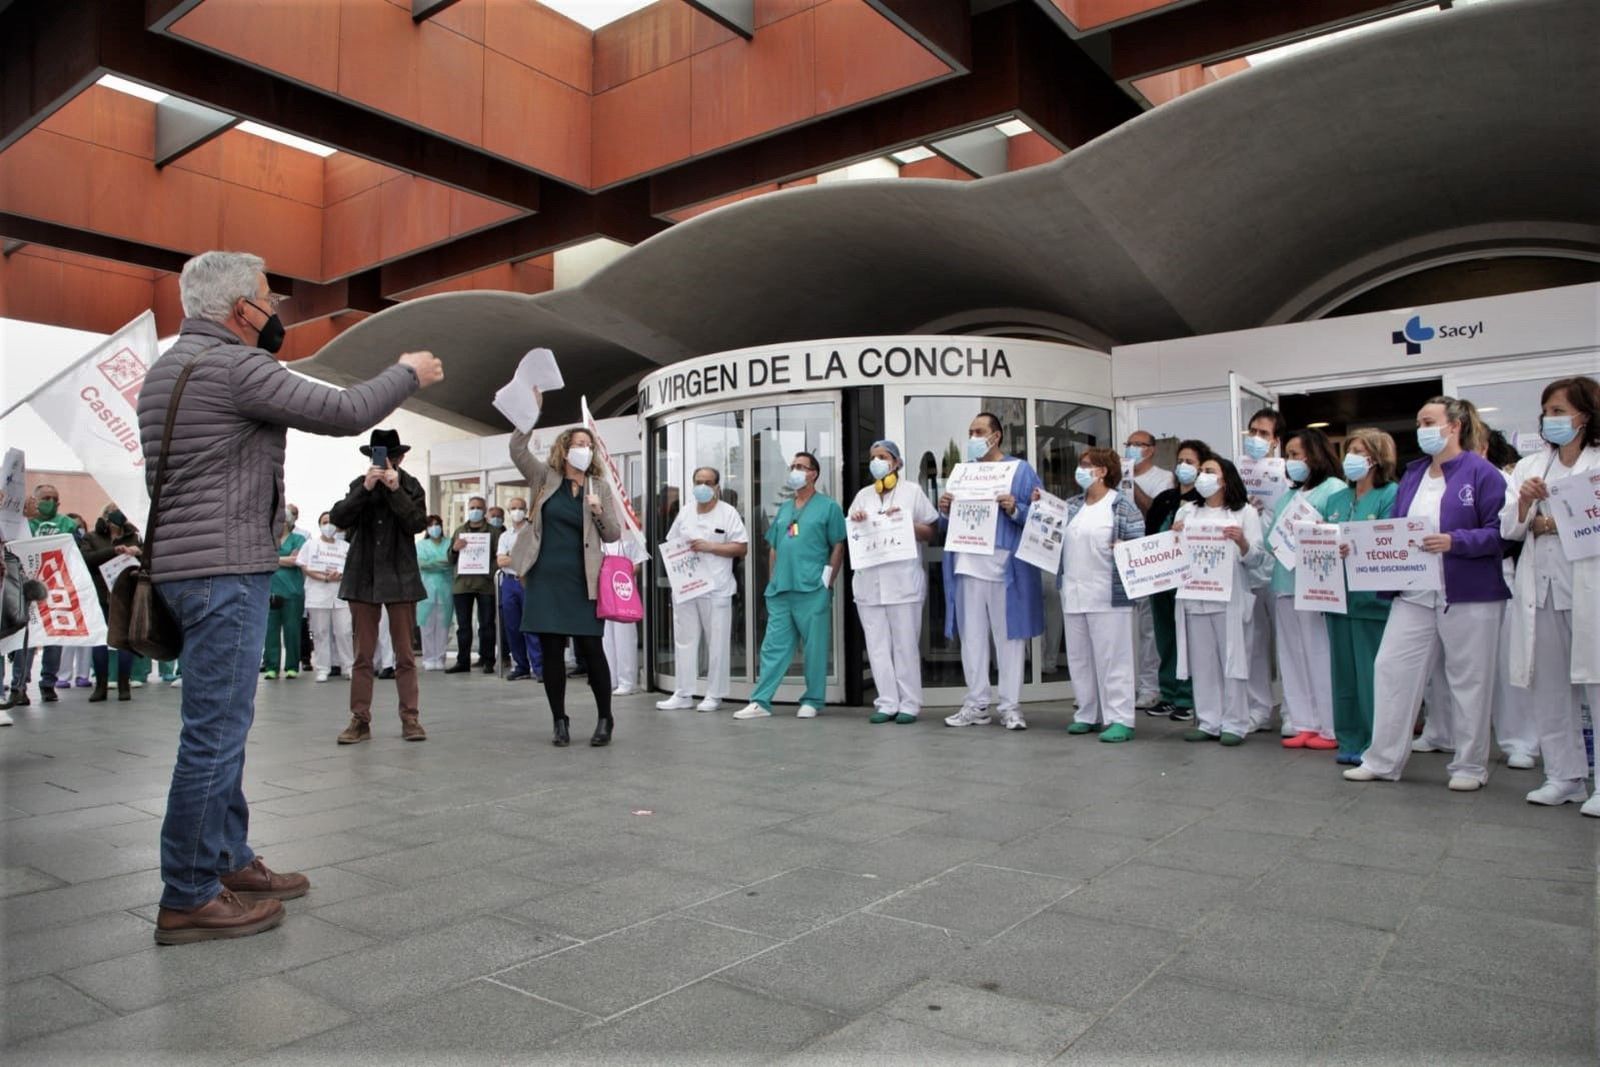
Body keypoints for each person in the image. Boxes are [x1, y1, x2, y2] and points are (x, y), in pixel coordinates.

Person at [137, 249, 442, 944]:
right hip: (225, 570)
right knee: (214, 733)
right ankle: (187, 891)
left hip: (187, 570)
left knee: (222, 726)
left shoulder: (166, 371)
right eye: (268, 298)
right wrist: (409, 373)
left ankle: (228, 858)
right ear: (239, 307)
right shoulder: (236, 365)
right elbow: (342, 410)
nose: (274, 311)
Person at [1345, 396, 1513, 792]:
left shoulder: (1483, 474)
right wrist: (1360, 546)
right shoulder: (1414, 474)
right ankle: (1383, 759)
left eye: (1428, 421)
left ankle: (1469, 766)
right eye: (1420, 422)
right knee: (1390, 668)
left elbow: (1501, 534)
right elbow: (1394, 530)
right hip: (1415, 593)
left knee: (1469, 682)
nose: (1421, 429)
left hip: (1468, 593)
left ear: (1453, 426)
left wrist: (1456, 541)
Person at [1502, 376, 1600, 811]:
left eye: (1560, 411)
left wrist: (1550, 521)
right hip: (1540, 589)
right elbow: (1509, 528)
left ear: (1586, 414)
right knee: (1550, 686)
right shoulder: (1531, 466)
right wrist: (1525, 504)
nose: (1551, 419)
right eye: (1547, 411)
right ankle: (1564, 777)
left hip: (1587, 585)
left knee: (1597, 683)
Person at [508, 403, 624, 745]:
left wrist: (598, 512)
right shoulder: (545, 478)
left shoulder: (598, 486)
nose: (584, 451)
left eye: (588, 446)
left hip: (583, 581)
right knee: (552, 652)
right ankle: (559, 720)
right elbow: (517, 449)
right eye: (578, 445)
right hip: (545, 578)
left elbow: (613, 534)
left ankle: (605, 718)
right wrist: (528, 415)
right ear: (564, 448)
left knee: (592, 650)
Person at [938, 413, 1045, 731]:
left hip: (1004, 568)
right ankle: (976, 704)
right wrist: (943, 510)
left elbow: (1041, 517)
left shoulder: (1020, 470)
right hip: (967, 565)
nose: (972, 436)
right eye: (969, 431)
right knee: (972, 640)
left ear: (996, 436)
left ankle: (1010, 707)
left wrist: (1016, 508)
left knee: (1009, 639)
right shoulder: (961, 474)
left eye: (979, 431)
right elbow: (946, 526)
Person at [331, 429, 432, 744]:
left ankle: (410, 719)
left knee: (404, 654)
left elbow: (416, 523)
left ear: (399, 458)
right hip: (363, 576)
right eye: (379, 456)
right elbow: (338, 517)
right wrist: (366, 487)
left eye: (390, 456)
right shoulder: (359, 484)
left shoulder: (411, 485)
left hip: (400, 577)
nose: (385, 461)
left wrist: (395, 489)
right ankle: (360, 720)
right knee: (363, 654)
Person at [734, 451, 847, 721]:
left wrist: (827, 582)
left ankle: (813, 700)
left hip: (812, 589)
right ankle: (761, 700)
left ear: (813, 474)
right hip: (782, 589)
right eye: (793, 466)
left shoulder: (828, 507)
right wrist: (774, 579)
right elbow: (774, 547)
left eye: (801, 466)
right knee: (773, 646)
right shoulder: (785, 508)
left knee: (815, 647)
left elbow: (838, 545)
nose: (795, 470)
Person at [1051, 447, 1145, 741]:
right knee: (1079, 658)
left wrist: (1124, 550)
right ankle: (1087, 713)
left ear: (1103, 471)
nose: (1080, 470)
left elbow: (1138, 547)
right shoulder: (1072, 505)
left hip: (1108, 593)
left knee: (1113, 658)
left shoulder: (1122, 506)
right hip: (1074, 591)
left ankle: (1120, 718)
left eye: (1087, 465)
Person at [1262, 427, 1346, 750]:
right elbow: (1271, 538)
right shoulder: (1288, 495)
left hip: (1316, 586)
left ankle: (1329, 725)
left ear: (1315, 455)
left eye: (1296, 455)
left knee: (1318, 654)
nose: (1291, 461)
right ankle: (1303, 722)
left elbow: (1339, 528)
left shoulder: (1334, 488)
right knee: (1292, 656)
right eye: (1289, 456)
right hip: (1285, 584)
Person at [1173, 456, 1265, 745]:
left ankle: (1235, 723)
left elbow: (1257, 558)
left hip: (1229, 598)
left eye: (1209, 471)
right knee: (1203, 663)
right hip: (1195, 596)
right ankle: (1209, 721)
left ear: (1225, 479)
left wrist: (1242, 542)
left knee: (1232, 660)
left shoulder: (1244, 513)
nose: (1202, 475)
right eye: (1200, 471)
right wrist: (1174, 537)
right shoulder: (1187, 511)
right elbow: (1174, 553)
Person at [847, 441, 938, 724]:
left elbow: (931, 531)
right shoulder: (863, 495)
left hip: (902, 582)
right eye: (873, 457)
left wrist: (907, 525)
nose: (877, 461)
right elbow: (852, 531)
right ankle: (886, 702)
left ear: (896, 462)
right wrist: (857, 519)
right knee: (876, 645)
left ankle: (909, 703)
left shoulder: (912, 492)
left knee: (905, 645)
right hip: (869, 583)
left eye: (883, 457)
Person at [1325, 428, 1400, 765]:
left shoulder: (1391, 495)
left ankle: (1377, 742)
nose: (1350, 457)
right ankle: (1349, 739)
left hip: (1372, 600)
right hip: (1337, 599)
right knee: (1343, 673)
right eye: (1349, 450)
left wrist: (1354, 546)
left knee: (1372, 675)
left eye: (1358, 450)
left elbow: (1387, 538)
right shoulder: (1337, 499)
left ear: (1376, 458)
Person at [657, 467, 749, 712]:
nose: (703, 487)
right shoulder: (685, 512)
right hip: (686, 587)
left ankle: (714, 695)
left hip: (717, 588)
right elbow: (671, 543)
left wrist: (710, 547)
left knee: (716, 643)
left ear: (717, 486)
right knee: (684, 640)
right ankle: (683, 693)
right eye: (699, 482)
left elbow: (741, 548)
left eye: (708, 482)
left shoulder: (727, 513)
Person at [1141, 439, 1208, 723]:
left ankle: (1188, 696)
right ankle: (1168, 693)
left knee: (1188, 638)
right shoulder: (1164, 499)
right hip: (1161, 578)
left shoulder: (1204, 501)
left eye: (1190, 462)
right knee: (1165, 637)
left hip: (1189, 580)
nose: (1183, 466)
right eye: (1180, 461)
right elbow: (1150, 535)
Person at [5, 484, 77, 706]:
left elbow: (77, 553)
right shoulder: (23, 523)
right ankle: (19, 686)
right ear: (35, 500)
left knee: (54, 639)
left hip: (56, 587)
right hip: (27, 588)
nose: (51, 501)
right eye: (46, 497)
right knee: (25, 640)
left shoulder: (68, 524)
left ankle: (48, 683)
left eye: (55, 498)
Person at [1124, 430, 1174, 711]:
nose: (1131, 449)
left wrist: (1130, 482)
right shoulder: (1114, 477)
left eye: (1138, 445)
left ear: (1151, 450)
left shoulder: (1163, 478)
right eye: (1128, 445)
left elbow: (1155, 511)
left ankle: (1150, 686)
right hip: (1121, 554)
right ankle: (1124, 685)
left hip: (1147, 556)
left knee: (1148, 627)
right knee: (1124, 626)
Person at [1242, 408, 1285, 734]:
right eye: (1252, 432)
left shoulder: (1287, 474)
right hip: (1249, 569)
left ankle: (1293, 710)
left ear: (1276, 441)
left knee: (1287, 643)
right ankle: (1258, 708)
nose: (1257, 439)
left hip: (1282, 569)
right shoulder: (1236, 473)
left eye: (1264, 434)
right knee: (1254, 642)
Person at [77, 504, 141, 703]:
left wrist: (137, 551)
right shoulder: (91, 537)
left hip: (125, 594)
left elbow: (148, 557)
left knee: (125, 640)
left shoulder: (135, 536)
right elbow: (86, 559)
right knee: (100, 641)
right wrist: (114, 551)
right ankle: (101, 685)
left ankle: (124, 684)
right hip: (100, 593)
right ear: (105, 517)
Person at [445, 496, 498, 674]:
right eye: (472, 507)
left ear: (484, 510)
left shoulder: (493, 532)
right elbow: (450, 558)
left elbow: (499, 557)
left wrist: (488, 571)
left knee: (487, 625)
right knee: (463, 627)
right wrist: (454, 549)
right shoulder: (460, 531)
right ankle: (463, 661)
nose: (475, 510)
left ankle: (488, 660)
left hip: (486, 585)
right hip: (462, 585)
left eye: (478, 507)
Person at [299, 512, 353, 683]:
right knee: (321, 632)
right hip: (318, 594)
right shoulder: (310, 545)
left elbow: (352, 568)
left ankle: (348, 667)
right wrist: (325, 578)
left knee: (344, 631)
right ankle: (323, 668)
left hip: (340, 594)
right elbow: (304, 567)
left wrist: (340, 576)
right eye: (324, 522)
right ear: (319, 525)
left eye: (331, 522)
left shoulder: (345, 546)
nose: (328, 525)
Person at [495, 498, 543, 682]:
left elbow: (532, 558)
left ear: (526, 510)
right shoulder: (505, 536)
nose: (517, 511)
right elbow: (501, 561)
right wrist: (519, 557)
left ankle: (539, 668)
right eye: (513, 508)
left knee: (532, 626)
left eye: (520, 508)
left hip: (528, 581)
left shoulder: (533, 533)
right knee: (512, 626)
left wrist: (512, 557)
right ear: (508, 511)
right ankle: (521, 666)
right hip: (509, 583)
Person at [262, 511, 307, 679]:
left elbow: (297, 560)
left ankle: (292, 667)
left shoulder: (299, 539)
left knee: (292, 630)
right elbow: (263, 558)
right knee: (270, 630)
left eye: (281, 521)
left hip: (292, 591)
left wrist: (274, 559)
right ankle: (271, 667)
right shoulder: (267, 540)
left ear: (288, 523)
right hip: (270, 591)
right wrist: (284, 559)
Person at [602, 542, 642, 695]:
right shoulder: (600, 537)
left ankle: (627, 681)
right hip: (605, 592)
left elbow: (637, 565)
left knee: (624, 637)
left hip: (623, 591)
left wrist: (621, 570)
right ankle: (610, 678)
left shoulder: (630, 537)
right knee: (607, 638)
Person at [416, 516, 455, 671]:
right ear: (426, 528)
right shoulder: (421, 545)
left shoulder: (449, 543)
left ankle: (440, 657)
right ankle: (428, 658)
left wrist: (435, 562)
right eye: (431, 525)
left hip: (446, 590)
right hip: (426, 591)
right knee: (427, 626)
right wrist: (442, 562)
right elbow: (422, 564)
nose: (435, 528)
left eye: (437, 525)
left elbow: (451, 563)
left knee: (443, 627)